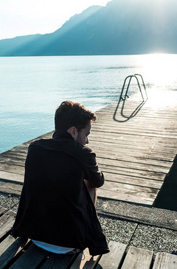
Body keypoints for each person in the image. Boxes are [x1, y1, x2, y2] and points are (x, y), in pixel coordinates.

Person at [11, 100, 109, 256]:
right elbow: (99, 181)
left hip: (35, 236)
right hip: (69, 244)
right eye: (86, 134)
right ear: (73, 131)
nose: (87, 141)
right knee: (90, 182)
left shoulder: (34, 147)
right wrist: (89, 165)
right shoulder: (84, 153)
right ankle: (88, 230)